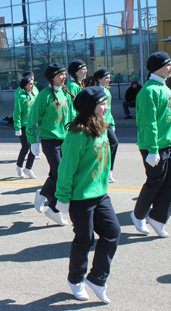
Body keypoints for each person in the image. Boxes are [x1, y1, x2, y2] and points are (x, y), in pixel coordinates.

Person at [55, 86, 121, 304]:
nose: (106, 107)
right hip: (80, 198)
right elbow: (66, 169)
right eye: (102, 104)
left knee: (113, 232)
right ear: (91, 108)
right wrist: (63, 197)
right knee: (85, 240)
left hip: (100, 195)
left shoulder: (101, 128)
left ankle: (97, 278)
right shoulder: (77, 134)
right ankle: (76, 279)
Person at [130, 52, 171, 238]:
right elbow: (148, 123)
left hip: (169, 144)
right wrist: (152, 150)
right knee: (155, 182)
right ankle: (138, 215)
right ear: (158, 67)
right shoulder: (148, 91)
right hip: (154, 147)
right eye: (168, 64)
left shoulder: (164, 87)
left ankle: (158, 219)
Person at [26, 63, 75, 226]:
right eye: (60, 74)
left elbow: (73, 116)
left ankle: (43, 194)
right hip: (49, 140)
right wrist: (33, 141)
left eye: (64, 74)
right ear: (52, 77)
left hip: (66, 140)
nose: (63, 77)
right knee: (61, 173)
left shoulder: (67, 94)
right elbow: (31, 120)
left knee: (60, 172)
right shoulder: (44, 95)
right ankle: (54, 209)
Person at [94, 69, 118, 183]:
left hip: (107, 123)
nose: (108, 80)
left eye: (109, 78)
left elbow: (109, 110)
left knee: (113, 143)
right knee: (99, 147)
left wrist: (112, 122)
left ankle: (108, 170)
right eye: (106, 78)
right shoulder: (96, 91)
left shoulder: (107, 91)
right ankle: (99, 170)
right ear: (99, 79)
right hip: (99, 123)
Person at [13, 77, 37, 178]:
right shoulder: (20, 97)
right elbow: (17, 113)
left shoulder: (34, 95)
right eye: (30, 84)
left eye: (32, 84)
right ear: (25, 85)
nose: (32, 86)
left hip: (33, 126)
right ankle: (19, 166)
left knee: (34, 148)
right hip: (24, 126)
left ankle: (28, 168)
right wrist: (17, 127)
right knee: (25, 147)